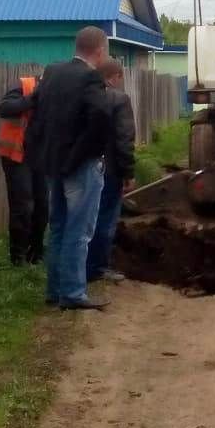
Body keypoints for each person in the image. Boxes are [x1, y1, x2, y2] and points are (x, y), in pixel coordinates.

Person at [26, 26, 113, 310]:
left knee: (59, 227)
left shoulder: (52, 72)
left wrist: (45, 153)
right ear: (100, 51)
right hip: (80, 167)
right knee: (80, 230)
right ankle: (73, 294)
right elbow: (101, 117)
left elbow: (36, 113)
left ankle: (54, 290)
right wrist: (83, 154)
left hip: (52, 165)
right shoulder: (91, 78)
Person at [86, 58, 135, 284]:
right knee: (105, 218)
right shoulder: (118, 99)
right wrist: (128, 173)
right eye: (119, 78)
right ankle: (97, 268)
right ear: (114, 76)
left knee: (85, 218)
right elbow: (124, 139)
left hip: (84, 167)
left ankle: (81, 266)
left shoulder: (83, 95)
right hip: (110, 169)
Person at [0, 73, 48, 265]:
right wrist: (33, 98)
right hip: (16, 155)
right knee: (23, 206)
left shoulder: (58, 93)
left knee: (43, 206)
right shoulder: (25, 85)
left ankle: (36, 253)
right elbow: (4, 108)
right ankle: (18, 257)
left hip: (39, 157)